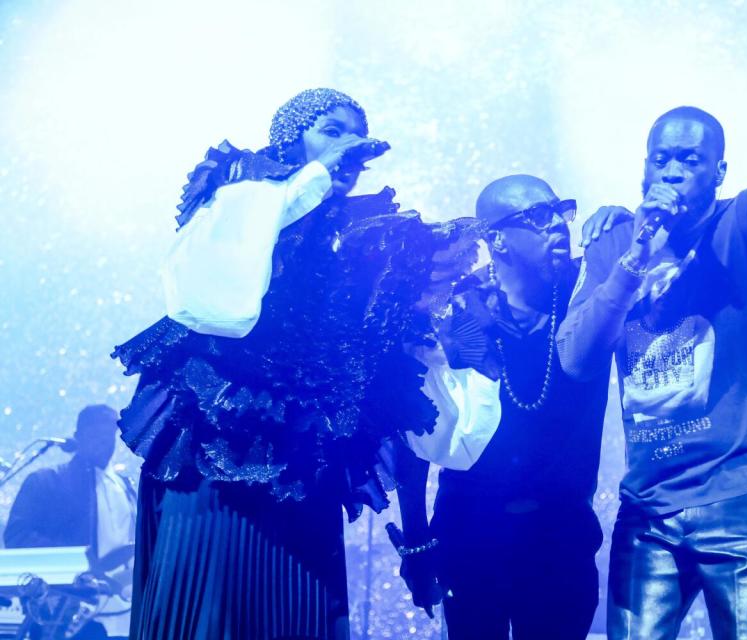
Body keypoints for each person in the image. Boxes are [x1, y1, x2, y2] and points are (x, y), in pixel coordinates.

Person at [112, 88, 476, 640]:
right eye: (332, 130)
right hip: (217, 462)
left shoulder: (366, 246)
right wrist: (309, 182)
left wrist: (420, 536)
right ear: (290, 136)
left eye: (358, 136)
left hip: (309, 476)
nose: (350, 147)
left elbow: (398, 395)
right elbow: (211, 300)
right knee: (212, 614)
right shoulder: (242, 193)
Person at [557, 36, 747, 639]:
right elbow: (575, 359)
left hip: (740, 489)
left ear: (718, 171)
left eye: (690, 159)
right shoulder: (617, 242)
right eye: (662, 158)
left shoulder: (743, 226)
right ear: (645, 165)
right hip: (648, 504)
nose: (674, 169)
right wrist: (633, 257)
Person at [395, 175, 609, 640]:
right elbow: (412, 426)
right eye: (538, 217)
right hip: (471, 534)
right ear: (496, 240)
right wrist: (415, 541)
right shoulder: (455, 312)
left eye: (561, 211)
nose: (557, 225)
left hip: (562, 536)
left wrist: (622, 224)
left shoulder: (588, 295)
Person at [4, 404, 137, 640]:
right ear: (78, 437)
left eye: (108, 436)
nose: (102, 442)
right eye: (94, 435)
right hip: (64, 612)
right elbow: (18, 535)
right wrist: (79, 564)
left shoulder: (126, 487)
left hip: (123, 612)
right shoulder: (46, 481)